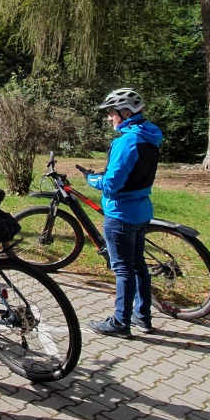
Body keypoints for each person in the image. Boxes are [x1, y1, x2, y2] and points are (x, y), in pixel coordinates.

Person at [85, 88, 163, 337]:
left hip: (120, 213)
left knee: (123, 269)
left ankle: (120, 322)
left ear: (126, 113)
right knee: (138, 265)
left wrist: (91, 179)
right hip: (141, 209)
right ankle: (143, 317)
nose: (109, 118)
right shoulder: (149, 136)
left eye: (112, 113)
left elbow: (111, 184)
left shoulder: (126, 141)